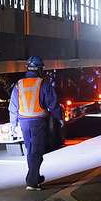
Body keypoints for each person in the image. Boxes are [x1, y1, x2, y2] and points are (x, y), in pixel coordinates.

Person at [9, 56, 64, 191]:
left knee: (31, 150)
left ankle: (35, 176)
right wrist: (60, 118)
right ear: (40, 69)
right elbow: (53, 104)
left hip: (24, 122)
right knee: (37, 151)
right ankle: (32, 182)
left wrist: (13, 123)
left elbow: (13, 105)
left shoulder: (19, 84)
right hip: (38, 122)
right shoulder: (43, 84)